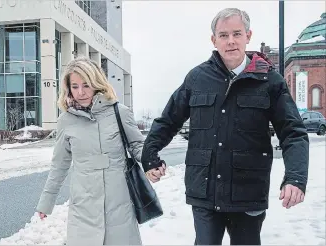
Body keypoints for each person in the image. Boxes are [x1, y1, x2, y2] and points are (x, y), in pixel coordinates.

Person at [141, 7, 309, 245]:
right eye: (223, 35)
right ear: (214, 40)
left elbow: (293, 132)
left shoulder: (270, 81)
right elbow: (168, 120)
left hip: (248, 193)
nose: (230, 41)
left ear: (248, 36)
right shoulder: (197, 78)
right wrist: (150, 155)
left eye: (237, 34)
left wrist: (296, 177)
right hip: (204, 192)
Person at [36, 56, 146, 246]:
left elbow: (138, 145)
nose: (80, 92)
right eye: (75, 86)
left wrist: (153, 162)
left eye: (86, 85)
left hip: (119, 206)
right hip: (83, 209)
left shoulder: (120, 112)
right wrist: (47, 201)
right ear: (68, 88)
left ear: (96, 83)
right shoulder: (65, 121)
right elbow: (59, 165)